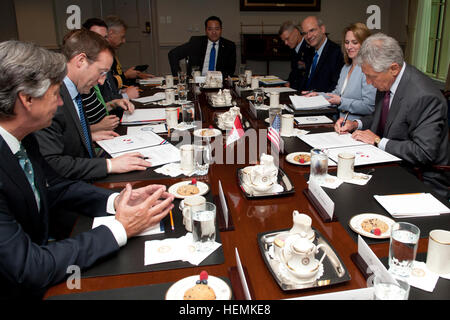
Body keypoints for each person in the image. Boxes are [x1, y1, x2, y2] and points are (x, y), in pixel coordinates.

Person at [0, 40, 175, 299]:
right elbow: (29, 267)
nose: (61, 103)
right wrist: (120, 228)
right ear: (26, 100)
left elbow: (53, 188)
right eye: (55, 93)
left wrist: (117, 201)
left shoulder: (23, 138)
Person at [336, 33, 449, 199]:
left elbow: (423, 153)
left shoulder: (424, 96)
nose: (368, 82)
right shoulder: (387, 80)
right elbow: (383, 117)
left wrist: (378, 141)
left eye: (371, 77)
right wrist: (355, 124)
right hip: (390, 162)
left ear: (394, 68)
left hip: (421, 177)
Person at [35, 29, 152, 181]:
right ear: (81, 61)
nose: (102, 81)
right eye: (101, 72)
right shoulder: (52, 98)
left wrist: (88, 137)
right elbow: (51, 163)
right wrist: (109, 165)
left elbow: (64, 138)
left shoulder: (75, 89)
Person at [306, 23, 376, 121]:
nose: (349, 47)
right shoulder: (346, 67)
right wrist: (318, 95)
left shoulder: (369, 70)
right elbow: (337, 94)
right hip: (339, 123)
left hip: (358, 128)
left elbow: (369, 107)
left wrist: (342, 102)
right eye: (347, 42)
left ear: (365, 44)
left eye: (354, 42)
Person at [82, 18, 136, 133]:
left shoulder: (95, 74)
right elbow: (70, 133)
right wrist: (96, 129)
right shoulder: (83, 83)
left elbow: (97, 110)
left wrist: (114, 103)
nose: (103, 42)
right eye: (97, 38)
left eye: (104, 37)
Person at [168, 16, 236, 78]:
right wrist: (178, 76)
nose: (214, 32)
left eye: (217, 29)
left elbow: (230, 71)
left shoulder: (229, 46)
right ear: (206, 31)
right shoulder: (196, 43)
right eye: (210, 29)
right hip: (197, 82)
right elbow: (173, 54)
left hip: (218, 82)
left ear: (221, 30)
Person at [105, 15, 153, 100]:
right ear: (111, 33)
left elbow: (116, 74)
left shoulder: (111, 51)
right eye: (122, 37)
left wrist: (138, 75)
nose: (124, 41)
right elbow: (107, 84)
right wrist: (126, 76)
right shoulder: (103, 55)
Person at [299, 16, 344, 93]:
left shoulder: (337, 53)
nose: (308, 36)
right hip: (304, 99)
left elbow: (335, 87)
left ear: (322, 29)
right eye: (305, 33)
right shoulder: (309, 52)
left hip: (324, 101)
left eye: (312, 30)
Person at [278, 21, 315, 91]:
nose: (285, 43)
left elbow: (309, 76)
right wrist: (288, 82)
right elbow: (295, 72)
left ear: (296, 32)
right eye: (284, 41)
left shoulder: (310, 47)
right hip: (294, 89)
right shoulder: (294, 48)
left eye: (287, 39)